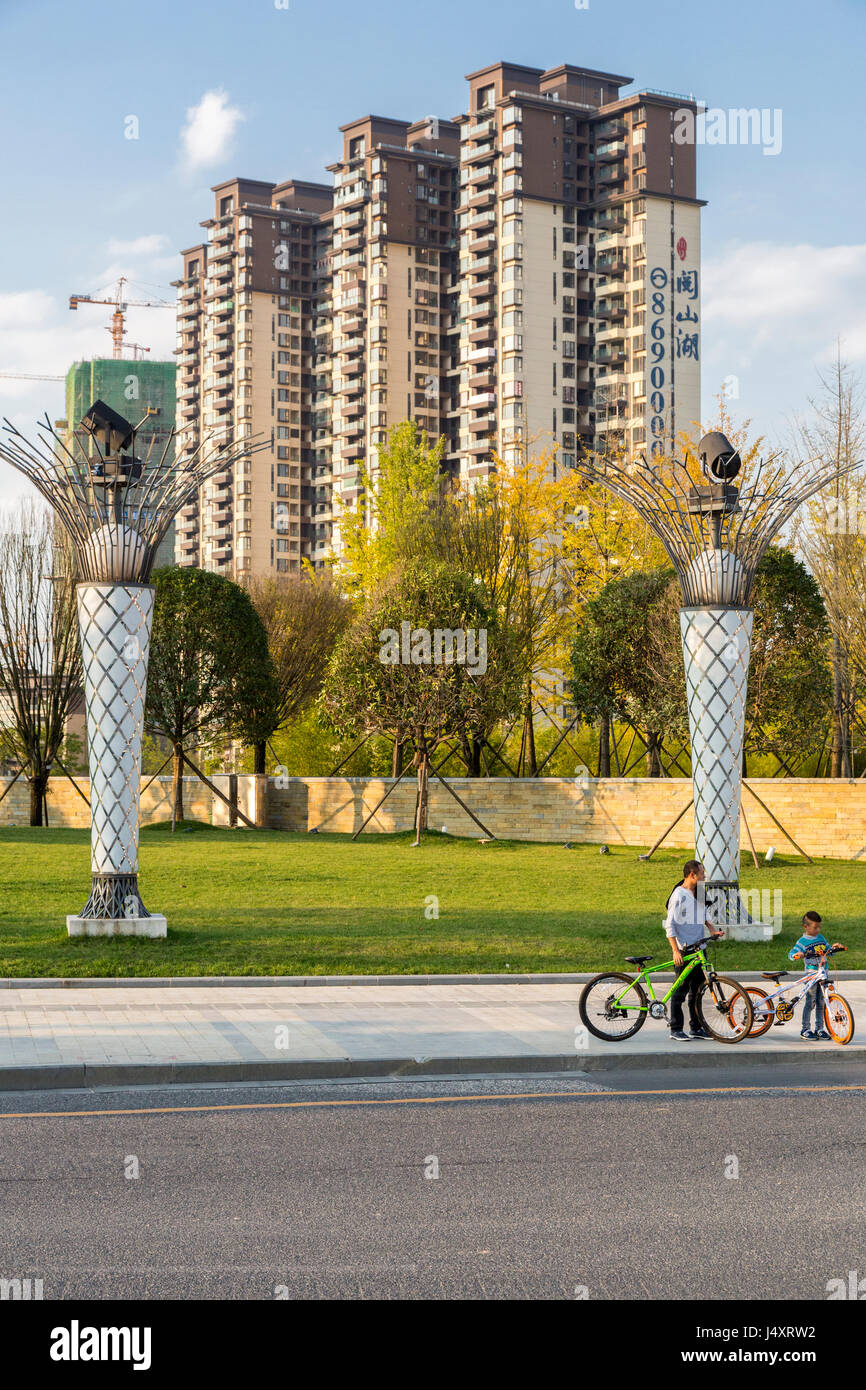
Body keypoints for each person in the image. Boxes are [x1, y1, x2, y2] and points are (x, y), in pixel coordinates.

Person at [663, 859, 724, 1041]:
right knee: (680, 990)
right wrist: (676, 951)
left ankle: (696, 1028)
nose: (704, 876)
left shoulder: (698, 892)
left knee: (697, 991)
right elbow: (670, 926)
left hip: (699, 949)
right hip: (684, 950)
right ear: (692, 875)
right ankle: (675, 1028)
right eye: (702, 874)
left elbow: (703, 913)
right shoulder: (679, 895)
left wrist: (712, 929)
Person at [788, 911, 843, 1040]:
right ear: (806, 927)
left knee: (821, 1002)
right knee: (810, 1002)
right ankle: (805, 1029)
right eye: (815, 927)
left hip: (823, 973)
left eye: (819, 927)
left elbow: (827, 951)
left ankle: (820, 1029)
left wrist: (834, 948)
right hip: (811, 974)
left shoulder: (821, 938)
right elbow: (792, 953)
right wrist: (796, 955)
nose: (818, 929)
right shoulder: (802, 941)